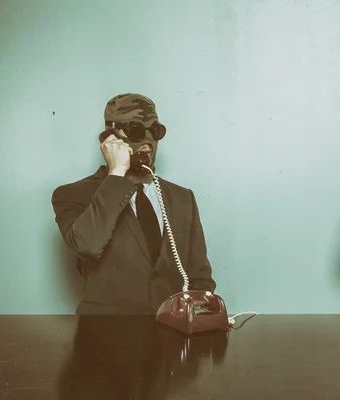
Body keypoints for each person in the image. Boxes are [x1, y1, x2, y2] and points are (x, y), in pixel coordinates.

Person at [51, 93, 216, 314]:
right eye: (136, 130)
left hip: (171, 333)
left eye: (155, 130)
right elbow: (87, 246)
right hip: (104, 338)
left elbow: (199, 277)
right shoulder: (73, 194)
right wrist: (116, 172)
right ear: (109, 139)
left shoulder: (182, 198)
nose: (147, 140)